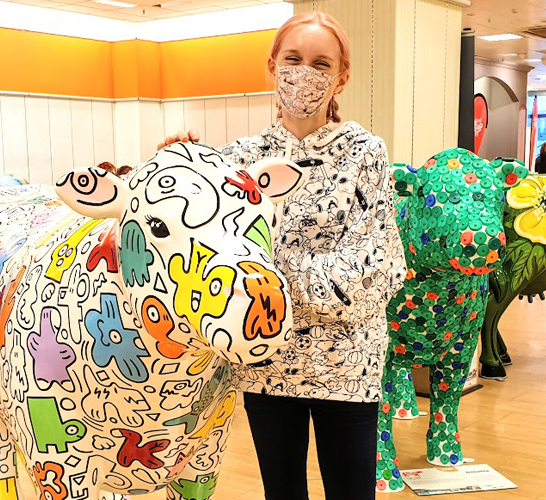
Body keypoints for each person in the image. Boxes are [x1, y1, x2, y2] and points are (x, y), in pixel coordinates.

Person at [158, 11, 407, 500]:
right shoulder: (237, 158)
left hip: (347, 367)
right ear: (272, 66)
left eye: (321, 63)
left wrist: (265, 281)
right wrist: (178, 161)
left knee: (352, 490)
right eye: (293, 59)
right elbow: (195, 245)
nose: (304, 73)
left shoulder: (364, 154)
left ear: (342, 76)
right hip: (265, 359)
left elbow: (377, 268)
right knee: (282, 491)